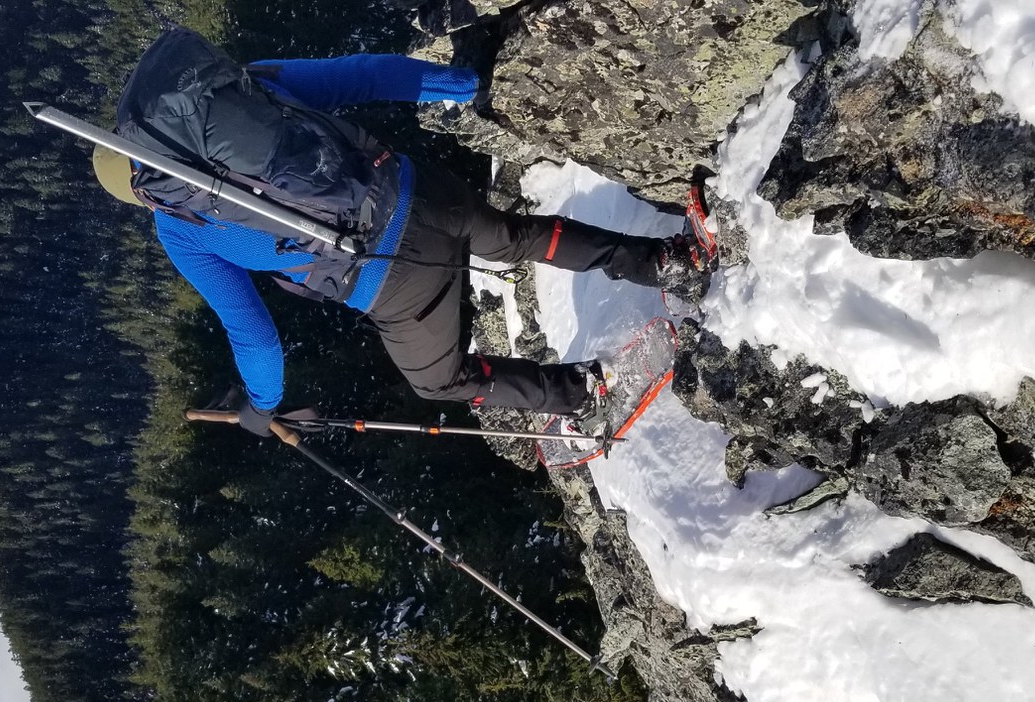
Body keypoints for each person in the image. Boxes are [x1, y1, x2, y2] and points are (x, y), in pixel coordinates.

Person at [91, 36, 712, 436]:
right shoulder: (246, 87)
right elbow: (363, 75)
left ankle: (585, 392)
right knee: (515, 237)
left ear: (142, 190)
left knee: (437, 381)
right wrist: (466, 86)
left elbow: (255, 335)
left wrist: (261, 407)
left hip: (389, 278)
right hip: (414, 186)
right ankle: (664, 261)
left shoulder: (178, 225)